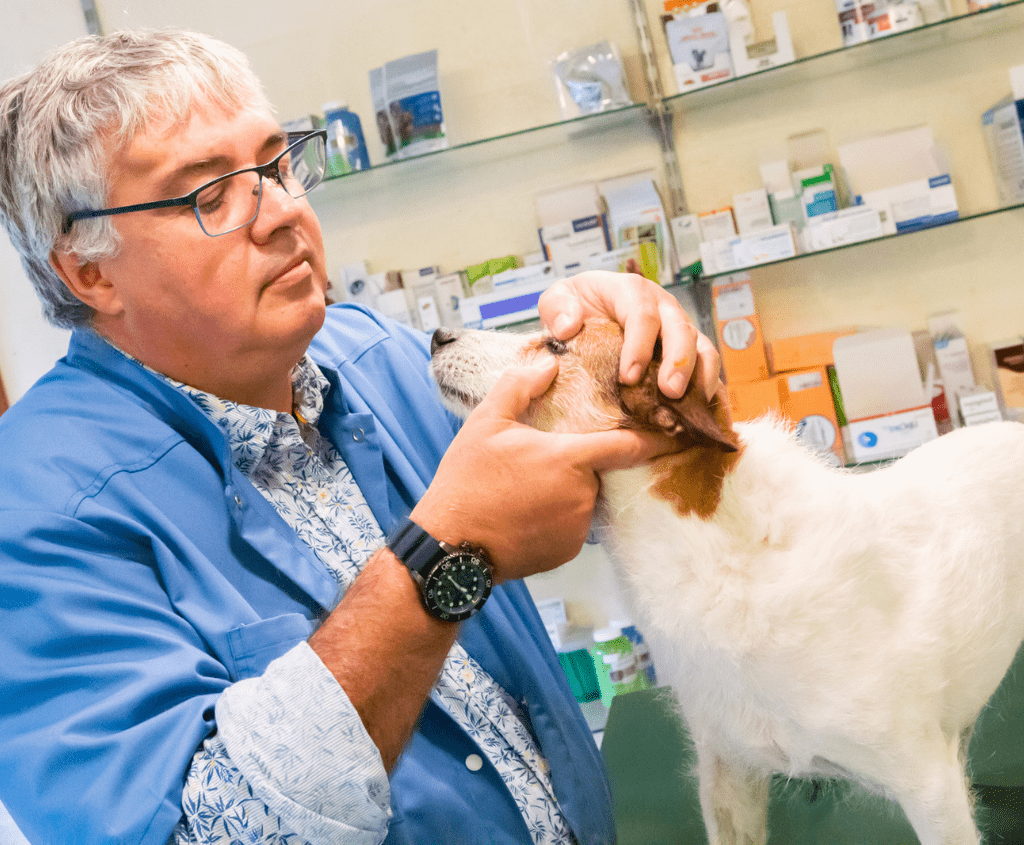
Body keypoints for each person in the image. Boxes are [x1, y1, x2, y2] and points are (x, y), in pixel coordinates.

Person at [0, 29, 720, 845]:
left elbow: (609, 482)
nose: (280, 214)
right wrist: (446, 554)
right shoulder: (33, 513)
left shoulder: (370, 353)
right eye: (209, 196)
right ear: (89, 271)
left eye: (275, 165)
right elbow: (197, 831)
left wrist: (626, 357)